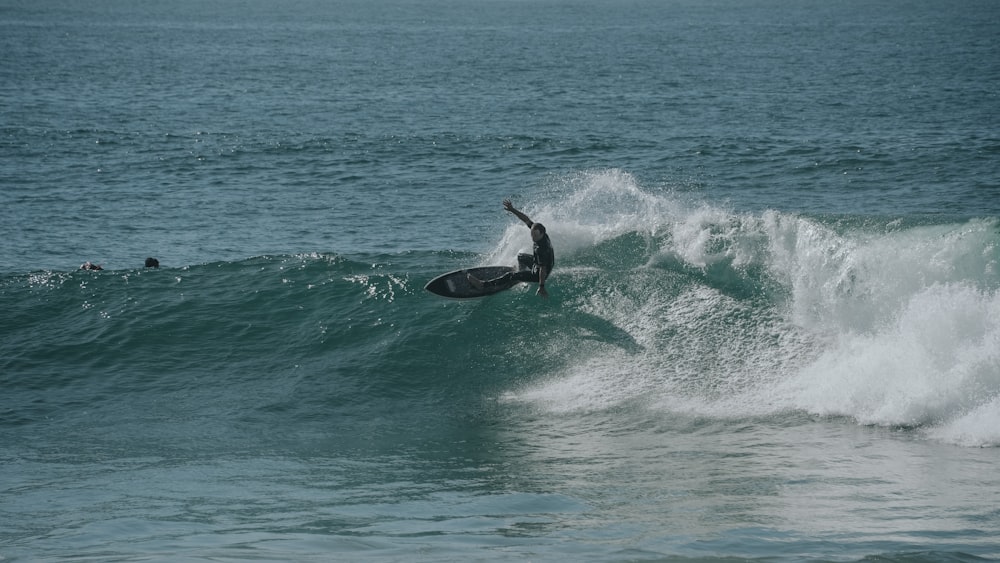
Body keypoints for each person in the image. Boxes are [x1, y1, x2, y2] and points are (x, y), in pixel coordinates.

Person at [468, 199, 554, 298]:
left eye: (535, 236)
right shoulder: (541, 233)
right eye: (532, 235)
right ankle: (520, 275)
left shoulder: (542, 249)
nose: (533, 238)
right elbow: (526, 219)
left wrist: (541, 286)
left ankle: (483, 285)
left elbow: (542, 269)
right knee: (520, 257)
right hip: (538, 264)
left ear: (542, 233)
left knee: (510, 275)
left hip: (539, 274)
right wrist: (512, 210)